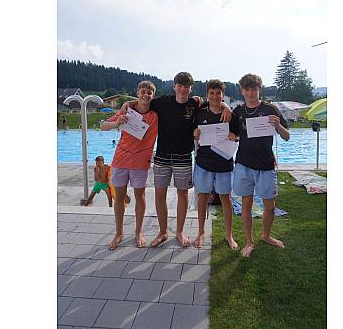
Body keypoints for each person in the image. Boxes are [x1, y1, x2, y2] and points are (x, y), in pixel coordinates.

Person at [122, 72, 232, 248]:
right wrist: (128, 103)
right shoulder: (162, 102)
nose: (182, 89)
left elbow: (215, 102)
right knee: (160, 195)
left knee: (182, 194)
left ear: (191, 88)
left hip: (183, 156)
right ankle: (163, 232)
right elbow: (143, 102)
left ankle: (180, 232)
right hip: (162, 156)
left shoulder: (195, 103)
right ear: (174, 86)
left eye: (186, 86)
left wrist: (226, 106)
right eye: (179, 86)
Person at [232, 73, 290, 257]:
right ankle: (249, 242)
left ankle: (266, 235)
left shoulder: (270, 109)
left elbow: (287, 136)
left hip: (265, 164)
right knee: (246, 204)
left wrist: (278, 126)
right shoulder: (238, 111)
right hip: (244, 164)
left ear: (260, 89)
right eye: (247, 89)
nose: (251, 93)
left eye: (254, 89)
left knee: (270, 206)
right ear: (242, 91)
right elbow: (233, 134)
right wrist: (232, 136)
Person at [100, 81, 158, 250]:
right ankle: (119, 233)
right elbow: (103, 126)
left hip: (140, 163)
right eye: (143, 91)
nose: (146, 95)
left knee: (140, 197)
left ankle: (138, 232)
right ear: (138, 92)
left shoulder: (156, 115)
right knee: (119, 198)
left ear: (153, 96)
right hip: (121, 160)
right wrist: (117, 122)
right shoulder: (127, 111)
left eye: (149, 92)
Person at [192, 79, 239, 250]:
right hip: (204, 163)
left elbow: (238, 135)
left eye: (218, 93)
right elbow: (193, 131)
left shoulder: (230, 114)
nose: (215, 96)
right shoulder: (200, 112)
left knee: (226, 198)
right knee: (202, 197)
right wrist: (195, 133)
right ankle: (200, 232)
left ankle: (229, 235)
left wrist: (235, 137)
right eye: (211, 93)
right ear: (207, 95)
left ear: (222, 95)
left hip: (224, 163)